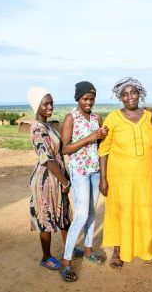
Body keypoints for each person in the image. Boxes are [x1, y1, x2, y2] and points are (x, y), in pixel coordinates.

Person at [99, 77, 152, 269]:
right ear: (120, 97)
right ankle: (118, 252)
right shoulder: (113, 118)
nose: (129, 97)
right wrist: (103, 179)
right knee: (119, 212)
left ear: (139, 94)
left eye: (133, 92)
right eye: (124, 94)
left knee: (143, 211)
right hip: (119, 178)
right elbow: (104, 149)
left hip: (144, 177)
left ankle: (145, 250)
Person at [60, 81, 108, 282]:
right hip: (79, 170)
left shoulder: (97, 117)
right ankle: (66, 261)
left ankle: (88, 251)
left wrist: (100, 136)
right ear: (77, 99)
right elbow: (65, 148)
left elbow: (100, 144)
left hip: (95, 170)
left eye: (91, 98)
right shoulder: (71, 118)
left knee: (91, 213)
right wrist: (90, 137)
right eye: (84, 99)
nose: (88, 102)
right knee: (80, 215)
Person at [27, 87, 71, 271]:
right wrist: (65, 181)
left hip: (58, 177)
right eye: (45, 104)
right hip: (46, 179)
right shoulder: (37, 128)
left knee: (63, 216)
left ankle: (68, 250)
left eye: (51, 103)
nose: (50, 106)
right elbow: (47, 159)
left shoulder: (48, 126)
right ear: (36, 106)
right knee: (46, 218)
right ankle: (46, 257)